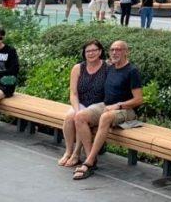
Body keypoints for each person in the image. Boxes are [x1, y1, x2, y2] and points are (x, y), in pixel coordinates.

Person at [72, 40, 143, 180]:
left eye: (119, 49)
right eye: (112, 50)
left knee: (105, 117)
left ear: (126, 52)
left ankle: (89, 162)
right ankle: (90, 156)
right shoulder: (110, 67)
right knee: (80, 116)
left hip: (127, 111)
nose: (115, 52)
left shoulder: (132, 71)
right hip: (106, 106)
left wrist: (118, 105)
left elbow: (139, 100)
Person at [58, 39, 108, 168]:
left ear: (100, 51)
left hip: (99, 104)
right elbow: (73, 93)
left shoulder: (107, 67)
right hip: (81, 102)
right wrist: (76, 109)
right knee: (70, 117)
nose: (91, 53)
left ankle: (76, 154)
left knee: (80, 117)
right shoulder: (78, 68)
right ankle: (69, 151)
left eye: (94, 50)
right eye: (88, 51)